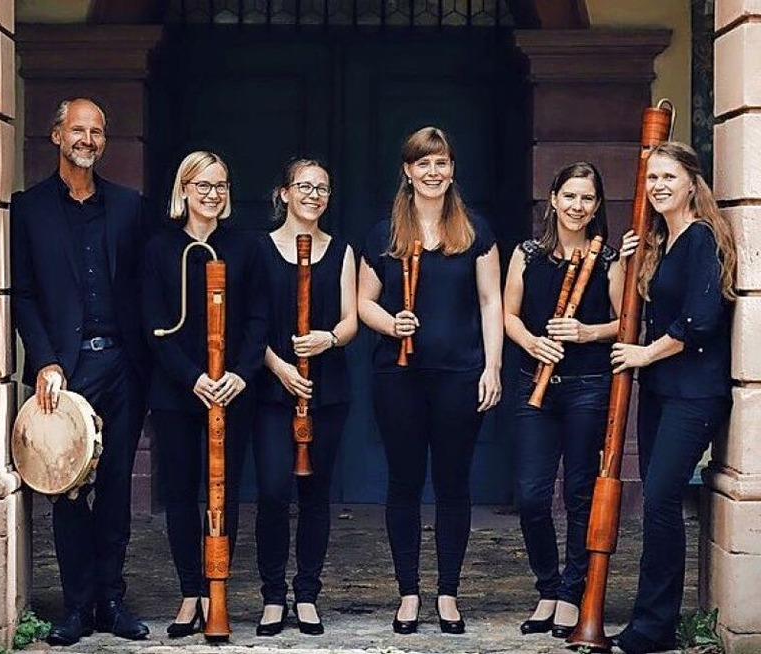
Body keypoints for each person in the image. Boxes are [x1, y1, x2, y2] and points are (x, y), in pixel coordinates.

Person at [11, 98, 151, 645]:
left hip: (123, 366)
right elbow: (22, 294)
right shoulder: (28, 208)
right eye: (78, 129)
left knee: (115, 487)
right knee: (67, 490)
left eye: (97, 131)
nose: (88, 139)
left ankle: (111, 603)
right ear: (56, 135)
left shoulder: (129, 207)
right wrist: (45, 359)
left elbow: (144, 288)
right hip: (64, 373)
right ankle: (77, 607)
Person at [357, 126, 503, 635]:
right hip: (398, 377)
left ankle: (447, 593)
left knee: (453, 484)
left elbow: (491, 301)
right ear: (408, 170)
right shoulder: (384, 234)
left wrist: (493, 366)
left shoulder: (476, 231)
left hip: (460, 374)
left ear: (452, 169)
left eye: (441, 163)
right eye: (424, 163)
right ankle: (408, 594)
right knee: (403, 482)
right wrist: (390, 324)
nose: (433, 172)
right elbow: (363, 303)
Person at [610, 141, 737, 654]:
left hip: (694, 393)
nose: (658, 186)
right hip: (662, 390)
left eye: (668, 177)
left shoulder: (703, 238)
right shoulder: (662, 241)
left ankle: (655, 626)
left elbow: (698, 322)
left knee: (662, 498)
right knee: (656, 504)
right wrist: (622, 265)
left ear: (691, 182)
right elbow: (631, 311)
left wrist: (643, 356)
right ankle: (650, 621)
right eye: (652, 179)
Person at [503, 162, 634, 638]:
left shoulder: (610, 260)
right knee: (533, 496)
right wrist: (532, 343)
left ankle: (571, 594)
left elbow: (625, 324)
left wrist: (584, 332)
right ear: (553, 198)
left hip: (588, 385)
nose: (577, 207)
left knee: (580, 493)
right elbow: (509, 315)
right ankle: (547, 586)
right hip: (532, 381)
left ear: (597, 206)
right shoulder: (527, 254)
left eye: (587, 199)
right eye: (570, 196)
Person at [141, 151, 267, 638]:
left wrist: (240, 374)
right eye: (203, 185)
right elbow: (152, 324)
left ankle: (218, 586)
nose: (212, 194)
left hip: (232, 391)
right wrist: (192, 376)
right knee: (178, 491)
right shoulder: (158, 249)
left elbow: (260, 320)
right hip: (178, 389)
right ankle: (190, 592)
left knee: (226, 491)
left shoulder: (245, 248)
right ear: (184, 189)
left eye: (220, 185)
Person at [252, 159, 358, 636]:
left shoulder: (342, 251)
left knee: (316, 495)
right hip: (275, 390)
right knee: (274, 494)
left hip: (327, 388)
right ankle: (273, 596)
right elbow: (246, 326)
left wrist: (327, 340)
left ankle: (308, 593)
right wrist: (281, 369)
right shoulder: (259, 250)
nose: (314, 195)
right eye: (305, 186)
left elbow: (351, 321)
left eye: (323, 188)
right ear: (285, 193)